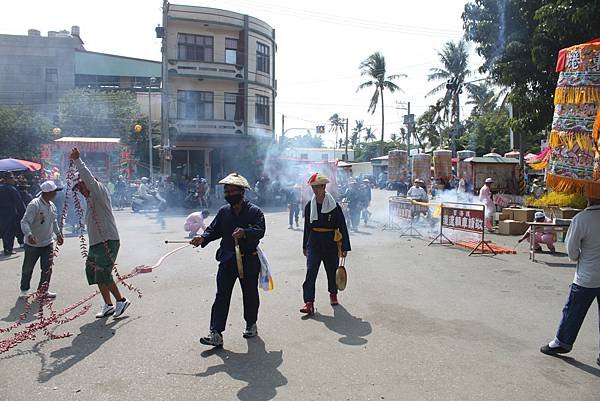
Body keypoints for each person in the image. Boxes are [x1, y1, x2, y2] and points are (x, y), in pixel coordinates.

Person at [191, 173, 266, 348]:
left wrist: (245, 232)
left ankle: (251, 323)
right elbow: (213, 230)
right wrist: (203, 238)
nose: (229, 194)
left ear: (241, 192)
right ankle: (216, 332)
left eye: (232, 191)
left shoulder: (255, 211)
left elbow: (260, 230)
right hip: (227, 259)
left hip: (248, 259)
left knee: (250, 294)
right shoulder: (224, 212)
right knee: (222, 295)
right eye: (226, 191)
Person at [539, 195, 600, 367]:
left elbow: (572, 251)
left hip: (587, 277)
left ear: (589, 197)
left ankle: (562, 343)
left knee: (573, 310)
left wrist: (582, 256)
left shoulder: (581, 219)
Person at [70, 148, 131, 319]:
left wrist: (78, 161)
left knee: (103, 272)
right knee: (94, 272)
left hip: (108, 240)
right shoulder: (89, 200)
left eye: (80, 185)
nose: (80, 190)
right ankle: (108, 304)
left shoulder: (99, 191)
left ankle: (121, 300)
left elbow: (88, 178)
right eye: (78, 188)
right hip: (96, 243)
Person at [300, 173, 351, 315]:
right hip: (314, 242)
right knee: (311, 272)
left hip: (330, 243)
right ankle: (308, 302)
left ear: (324, 187)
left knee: (331, 271)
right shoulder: (310, 205)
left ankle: (333, 294)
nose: (315, 190)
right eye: (313, 188)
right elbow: (307, 228)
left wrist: (345, 246)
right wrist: (305, 245)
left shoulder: (334, 206)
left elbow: (342, 226)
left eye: (318, 187)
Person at [19, 180, 64, 299]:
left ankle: (43, 290)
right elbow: (25, 222)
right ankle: (24, 289)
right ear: (47, 192)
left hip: (48, 242)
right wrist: (29, 234)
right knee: (28, 268)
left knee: (47, 269)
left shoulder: (52, 205)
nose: (56, 194)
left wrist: (58, 234)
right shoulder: (34, 204)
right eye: (54, 192)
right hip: (32, 245)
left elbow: (54, 221)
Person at [0, 171, 26, 256]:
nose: (13, 180)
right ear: (7, 179)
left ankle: (6, 248)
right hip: (10, 213)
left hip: (2, 214)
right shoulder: (11, 189)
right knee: (10, 232)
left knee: (4, 231)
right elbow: (19, 203)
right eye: (12, 178)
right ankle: (8, 249)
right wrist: (25, 213)